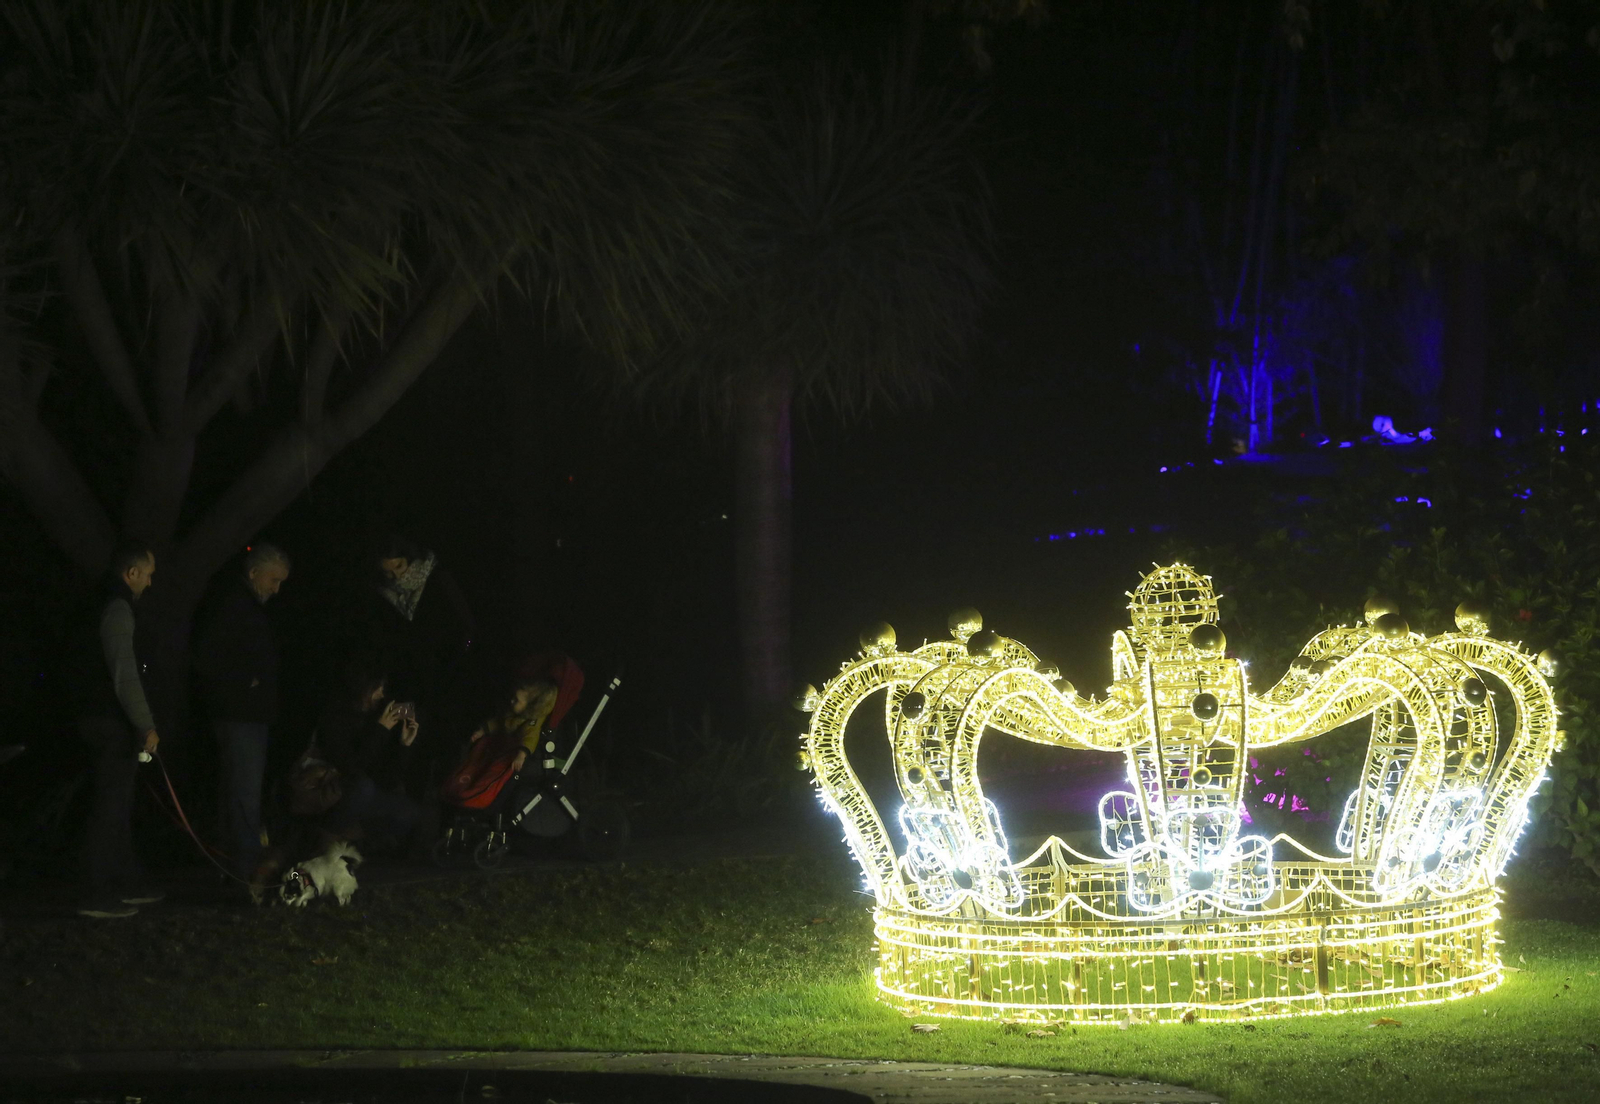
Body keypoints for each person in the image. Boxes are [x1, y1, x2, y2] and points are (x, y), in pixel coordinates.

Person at [70, 539, 165, 918]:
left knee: (117, 802)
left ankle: (125, 882)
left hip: (97, 717)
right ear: (132, 573)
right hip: (109, 721)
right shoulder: (117, 607)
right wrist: (145, 725)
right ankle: (95, 892)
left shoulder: (97, 602)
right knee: (110, 804)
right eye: (148, 575)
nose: (150, 583)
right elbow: (124, 673)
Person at [193, 543, 291, 883]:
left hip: (248, 714)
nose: (276, 589)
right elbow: (208, 656)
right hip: (240, 715)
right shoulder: (233, 605)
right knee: (244, 792)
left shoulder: (244, 605)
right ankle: (248, 868)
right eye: (274, 580)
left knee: (236, 791)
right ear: (254, 573)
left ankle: (227, 864)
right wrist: (245, 682)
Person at [317, 662, 422, 852]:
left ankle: (351, 840)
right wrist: (379, 731)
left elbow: (389, 779)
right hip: (333, 792)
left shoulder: (376, 719)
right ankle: (325, 842)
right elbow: (351, 767)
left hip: (367, 794)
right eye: (377, 689)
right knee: (363, 787)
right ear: (362, 688)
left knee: (409, 811)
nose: (382, 694)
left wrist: (404, 746)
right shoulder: (337, 717)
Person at [468, 677, 559, 775]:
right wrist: (482, 731)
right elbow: (500, 722)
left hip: (513, 748)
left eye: (516, 700)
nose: (512, 701)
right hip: (504, 741)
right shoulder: (515, 711)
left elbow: (530, 738)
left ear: (531, 706)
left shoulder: (532, 722)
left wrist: (521, 755)